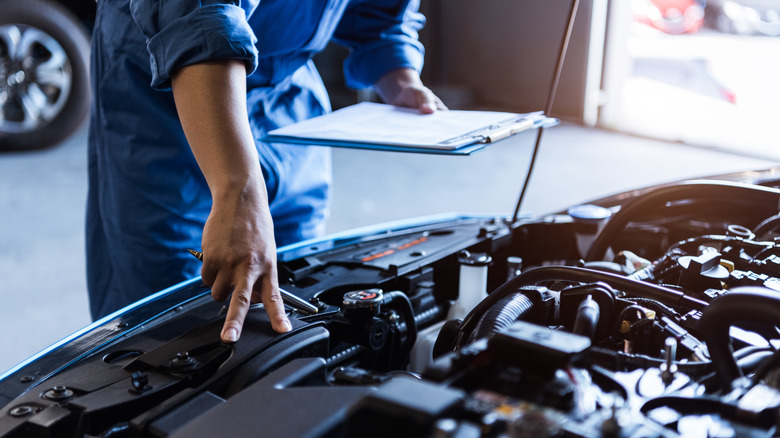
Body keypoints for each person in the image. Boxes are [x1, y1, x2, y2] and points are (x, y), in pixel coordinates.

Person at [87, 0, 445, 343]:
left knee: (303, 286)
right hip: (172, 101)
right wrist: (237, 191)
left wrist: (400, 76)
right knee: (170, 323)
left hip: (286, 98)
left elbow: (380, 12)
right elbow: (198, 17)